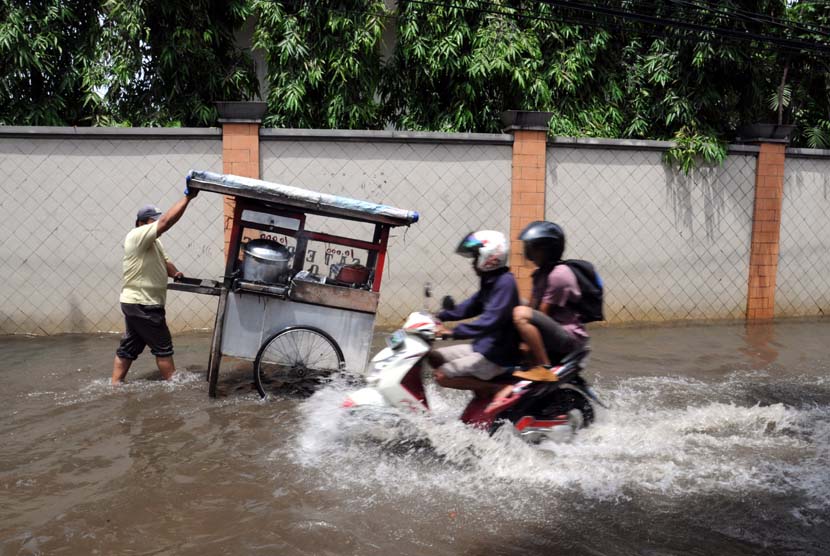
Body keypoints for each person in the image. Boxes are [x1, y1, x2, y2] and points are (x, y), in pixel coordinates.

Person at [111, 185, 198, 384]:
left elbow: (165, 261)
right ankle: (173, 387)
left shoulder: (154, 242)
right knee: (163, 347)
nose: (156, 224)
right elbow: (167, 222)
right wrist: (188, 198)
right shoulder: (137, 236)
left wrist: (175, 273)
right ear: (141, 223)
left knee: (129, 348)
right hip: (144, 304)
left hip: (137, 303)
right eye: (153, 221)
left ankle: (115, 386)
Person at [428, 230, 520, 399]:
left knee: (441, 376)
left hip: (496, 356)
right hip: (481, 347)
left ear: (490, 257)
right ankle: (480, 391)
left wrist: (452, 332)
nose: (472, 263)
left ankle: (494, 388)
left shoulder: (505, 283)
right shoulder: (491, 281)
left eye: (476, 257)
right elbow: (470, 306)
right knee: (434, 356)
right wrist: (438, 316)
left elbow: (490, 321)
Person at [512, 221, 588, 369]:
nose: (529, 251)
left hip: (568, 337)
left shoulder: (558, 275)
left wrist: (526, 344)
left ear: (548, 250)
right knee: (513, 303)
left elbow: (543, 313)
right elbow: (533, 306)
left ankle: (543, 365)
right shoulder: (541, 274)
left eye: (534, 247)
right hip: (553, 330)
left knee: (520, 313)